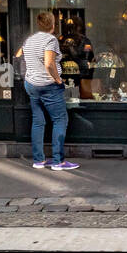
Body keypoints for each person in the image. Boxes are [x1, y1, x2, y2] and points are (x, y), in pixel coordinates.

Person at [17, 11, 79, 170]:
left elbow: (18, 57)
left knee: (38, 122)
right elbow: (49, 64)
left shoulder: (29, 40)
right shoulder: (50, 40)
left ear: (39, 24)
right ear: (53, 25)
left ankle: (39, 160)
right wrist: (59, 81)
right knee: (60, 120)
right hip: (48, 85)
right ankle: (58, 162)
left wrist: (28, 76)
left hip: (32, 84)